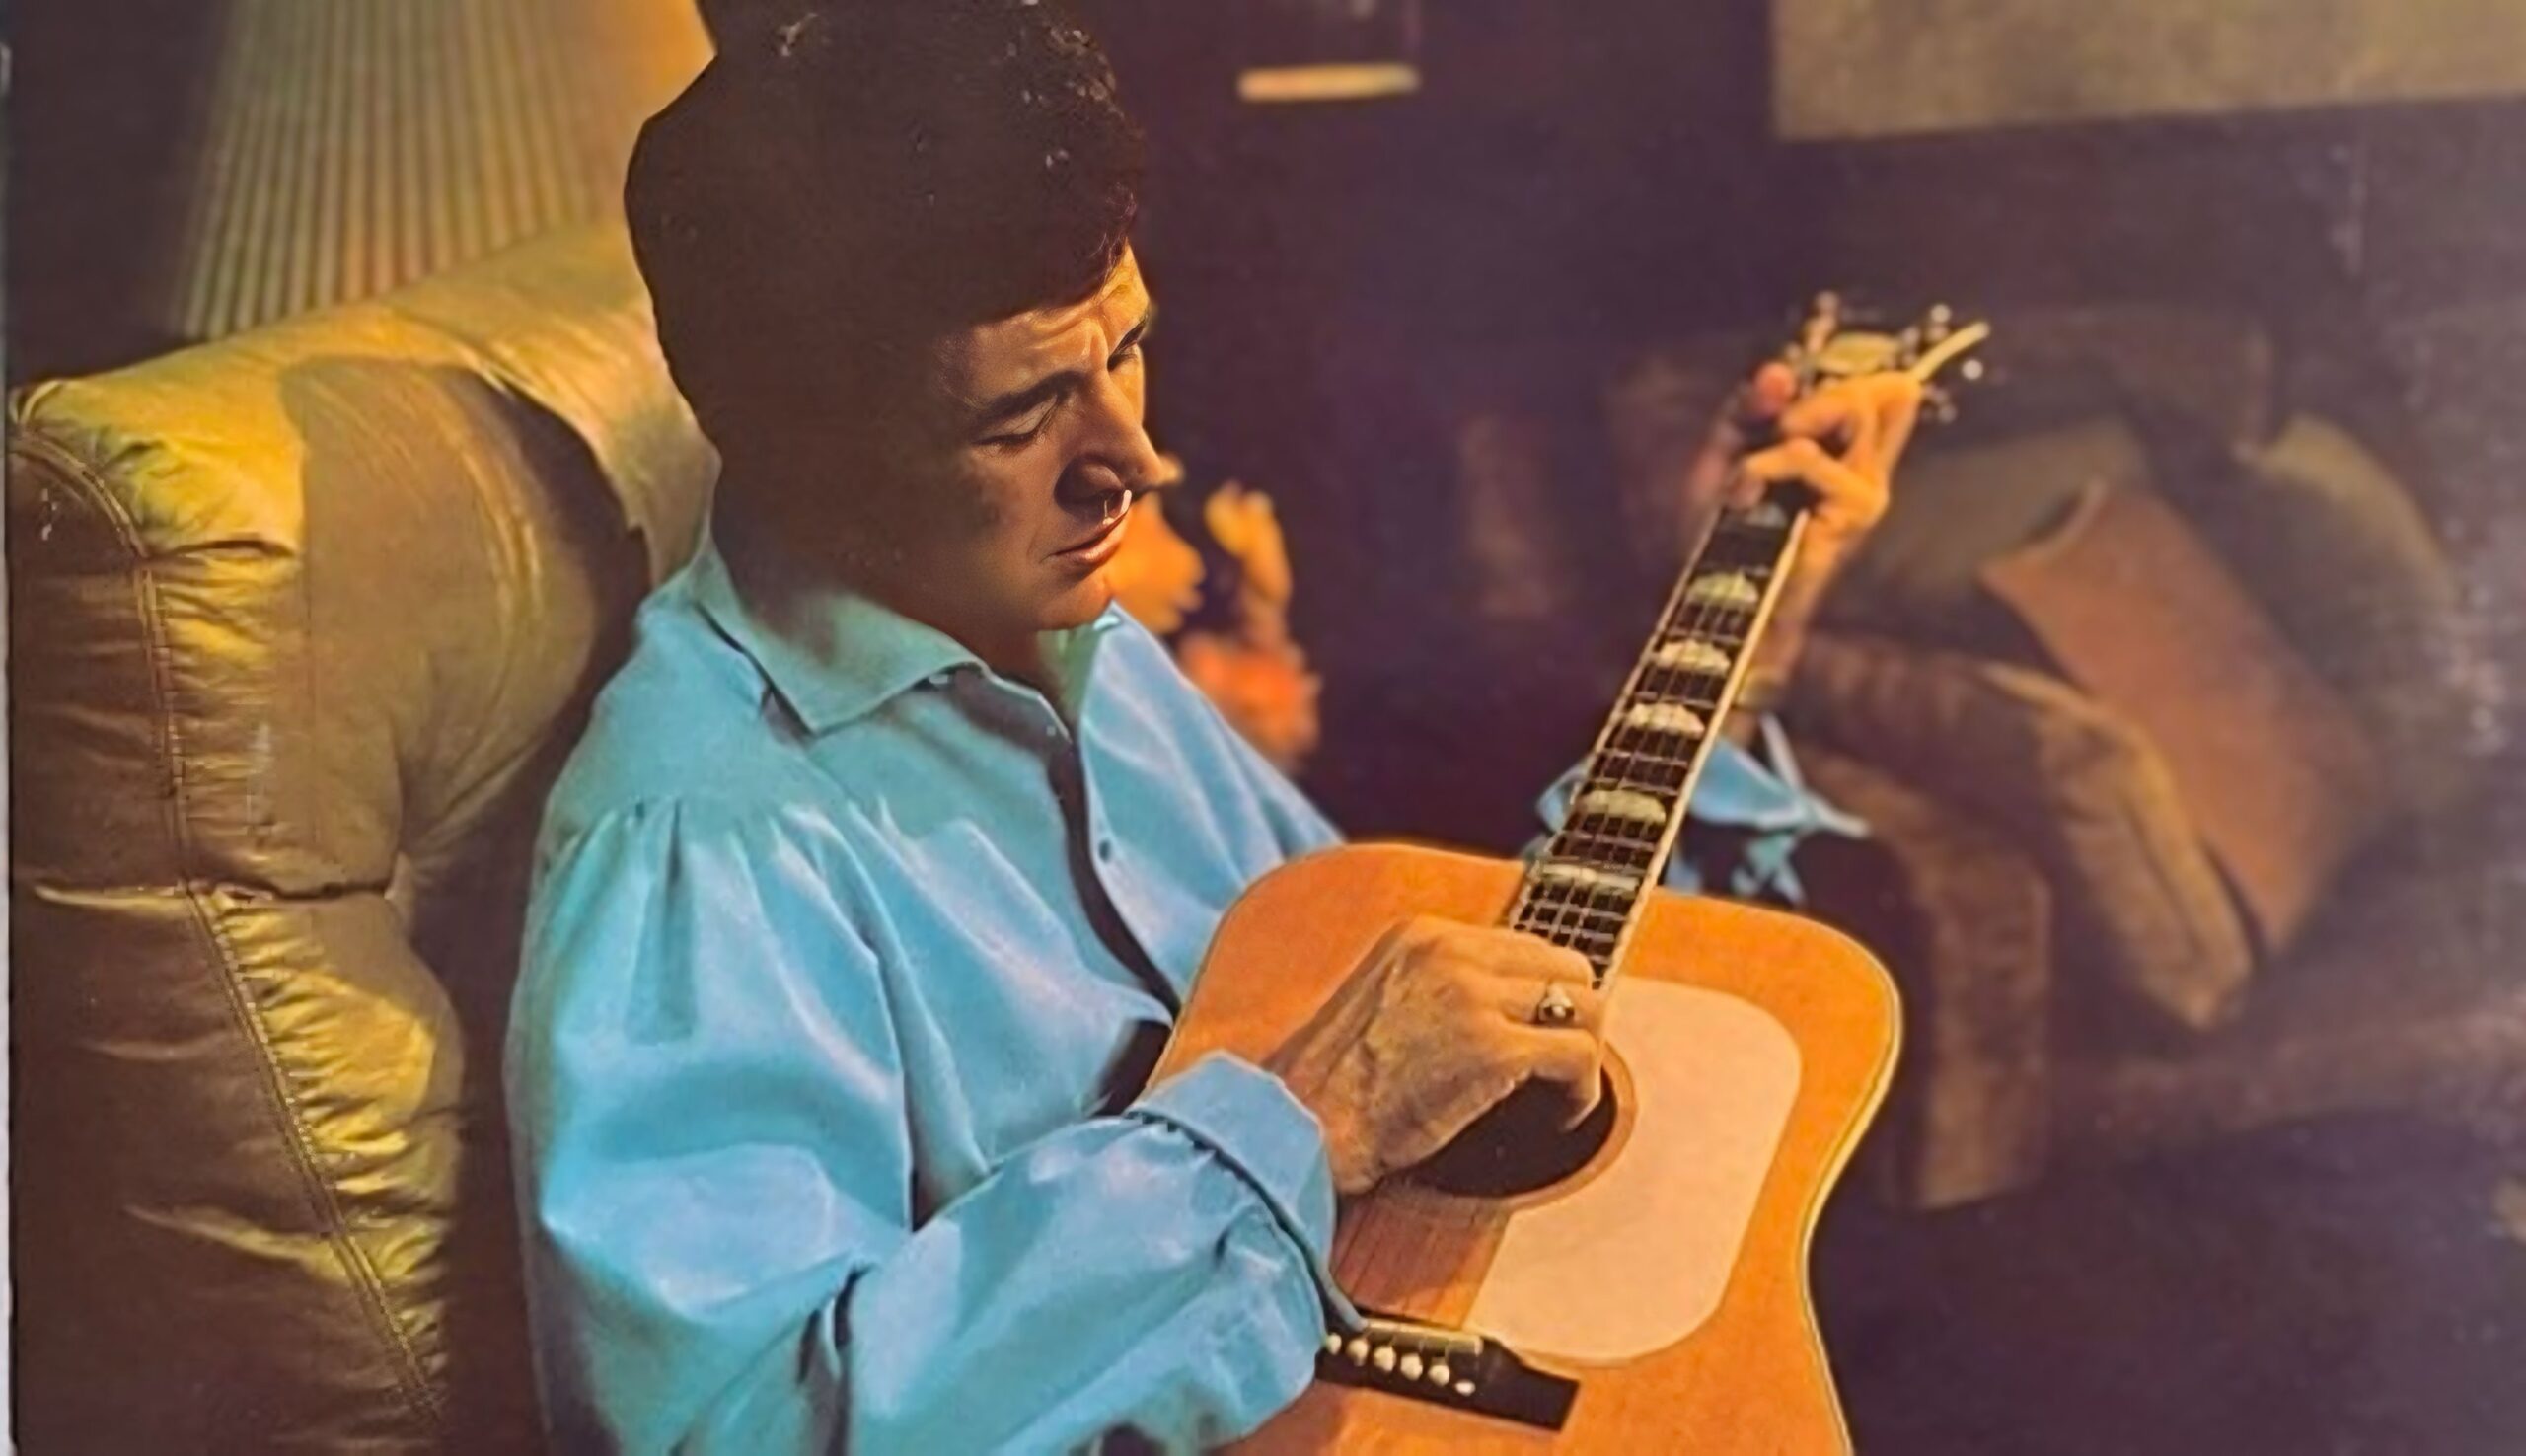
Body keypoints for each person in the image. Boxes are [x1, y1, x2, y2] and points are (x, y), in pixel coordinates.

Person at [506, 4, 1920, 1451]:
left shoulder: (1074, 638)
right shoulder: (700, 841)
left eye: (1127, 350)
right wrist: (1306, 1123)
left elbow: (1418, 988)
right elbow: (731, 1429)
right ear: (805, 441)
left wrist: (1748, 629)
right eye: (1022, 418)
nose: (1134, 459)